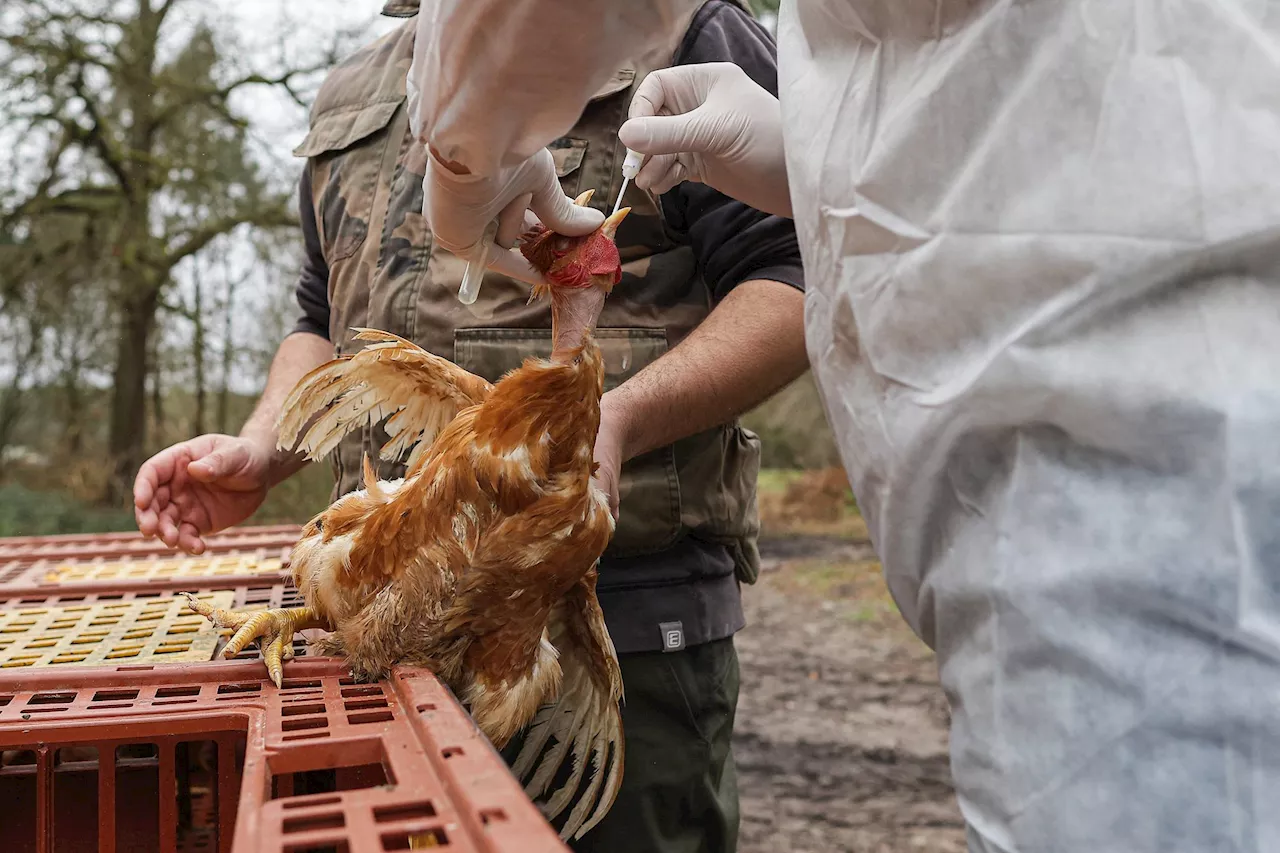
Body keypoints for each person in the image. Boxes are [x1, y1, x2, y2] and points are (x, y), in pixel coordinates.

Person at [407, 2, 1280, 852]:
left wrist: (466, 161)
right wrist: (810, 158)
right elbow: (1050, 117)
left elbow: (521, 26)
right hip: (1101, 474)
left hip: (1149, 491)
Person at [132, 2, 808, 851]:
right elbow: (319, 313)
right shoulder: (356, 86)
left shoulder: (678, 27)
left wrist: (615, 421)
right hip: (376, 624)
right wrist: (262, 447)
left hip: (603, 628)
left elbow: (797, 280)